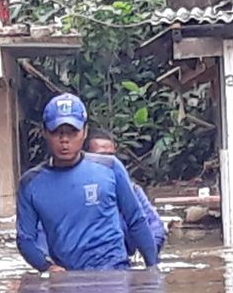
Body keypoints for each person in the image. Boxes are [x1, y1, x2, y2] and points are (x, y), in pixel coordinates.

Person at [16, 93, 158, 272]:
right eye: (56, 132)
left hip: (115, 274)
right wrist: (47, 267)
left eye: (72, 132)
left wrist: (153, 270)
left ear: (84, 132)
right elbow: (25, 239)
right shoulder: (30, 184)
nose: (64, 140)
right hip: (67, 278)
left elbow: (136, 219)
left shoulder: (110, 167)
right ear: (44, 132)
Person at [84, 128, 167, 254]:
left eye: (111, 157)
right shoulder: (75, 192)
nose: (108, 163)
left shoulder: (131, 190)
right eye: (101, 157)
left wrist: (148, 256)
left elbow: (155, 226)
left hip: (123, 257)